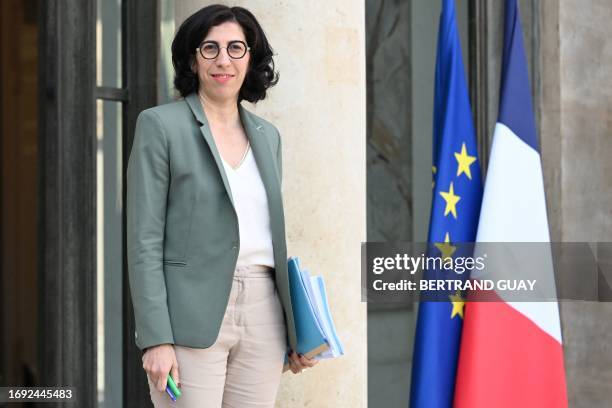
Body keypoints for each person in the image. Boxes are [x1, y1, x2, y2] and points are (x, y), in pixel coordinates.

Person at [126, 5, 317, 407]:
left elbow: (268, 235)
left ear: (251, 58)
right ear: (193, 60)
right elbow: (143, 240)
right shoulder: (160, 126)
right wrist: (156, 338)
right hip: (189, 315)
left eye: (235, 48)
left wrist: (296, 330)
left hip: (264, 311)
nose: (223, 60)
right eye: (210, 49)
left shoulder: (269, 137)